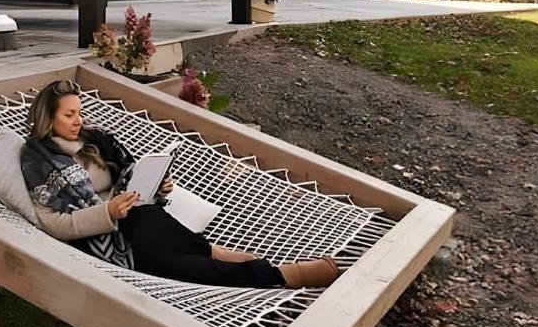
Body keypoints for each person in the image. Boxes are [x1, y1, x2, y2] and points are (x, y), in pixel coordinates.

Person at [19, 79, 338, 289]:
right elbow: (54, 223)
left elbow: (129, 174)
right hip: (110, 240)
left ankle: (272, 271)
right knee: (185, 266)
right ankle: (281, 275)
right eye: (69, 115)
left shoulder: (95, 138)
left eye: (80, 112)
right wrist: (108, 212)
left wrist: (155, 184)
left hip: (139, 217)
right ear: (48, 118)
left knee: (184, 249)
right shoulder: (38, 158)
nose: (79, 121)